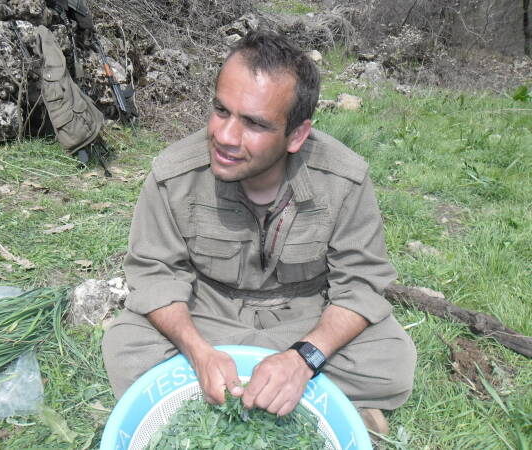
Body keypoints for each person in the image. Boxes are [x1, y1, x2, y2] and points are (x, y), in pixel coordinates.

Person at [102, 29, 416, 434]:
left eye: (254, 124)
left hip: (304, 317)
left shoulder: (344, 179)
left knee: (392, 361)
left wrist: (303, 359)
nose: (225, 137)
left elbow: (359, 285)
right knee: (126, 345)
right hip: (207, 314)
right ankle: (320, 399)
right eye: (221, 110)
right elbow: (155, 276)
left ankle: (254, 387)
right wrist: (198, 353)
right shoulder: (173, 174)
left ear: (297, 135)